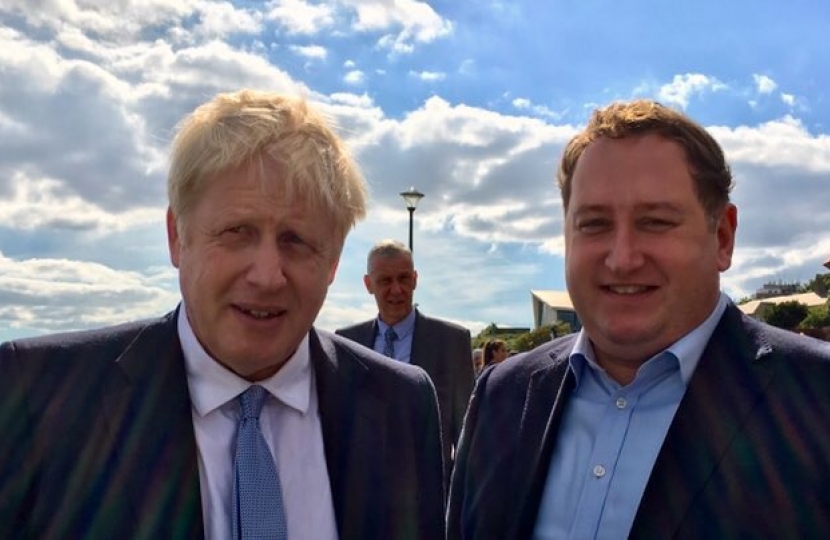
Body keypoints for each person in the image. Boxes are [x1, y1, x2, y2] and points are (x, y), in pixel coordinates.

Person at [0, 90, 445, 539]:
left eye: (296, 240)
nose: (268, 276)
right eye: (237, 232)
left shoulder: (402, 405)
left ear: (332, 262)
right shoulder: (38, 396)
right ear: (178, 237)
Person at [447, 99, 830, 539]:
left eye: (655, 222)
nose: (623, 258)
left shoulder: (815, 397)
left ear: (722, 237)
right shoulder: (503, 398)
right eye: (593, 224)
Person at [336, 239, 474, 478]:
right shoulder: (346, 343)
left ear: (415, 279)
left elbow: (467, 433)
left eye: (404, 278)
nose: (397, 289)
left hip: (429, 496)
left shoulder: (451, 341)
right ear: (368, 285)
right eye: (385, 281)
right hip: (362, 494)